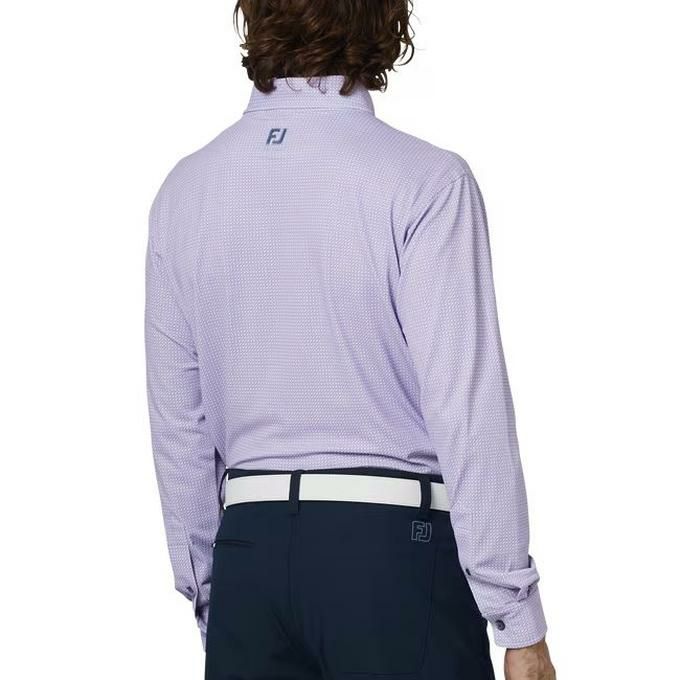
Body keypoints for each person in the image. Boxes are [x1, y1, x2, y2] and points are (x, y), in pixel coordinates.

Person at [144, 2, 556, 678]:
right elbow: (465, 406)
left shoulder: (184, 191)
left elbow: (179, 426)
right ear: (381, 19)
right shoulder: (425, 181)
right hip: (391, 557)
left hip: (248, 553)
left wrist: (215, 592)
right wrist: (518, 618)